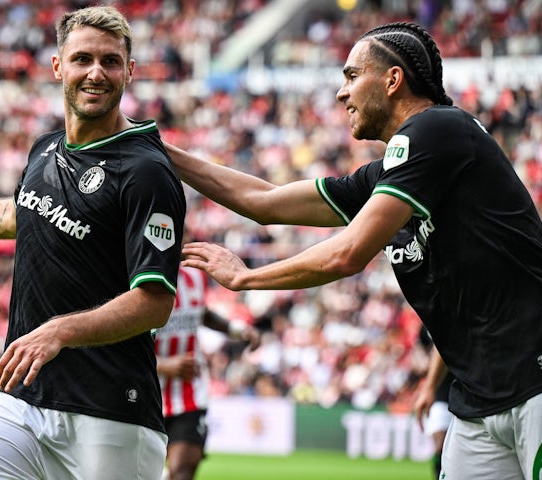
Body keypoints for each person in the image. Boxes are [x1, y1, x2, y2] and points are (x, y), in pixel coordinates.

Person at [164, 21, 542, 480]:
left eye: (351, 75)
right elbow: (261, 202)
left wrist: (248, 277)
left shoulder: (437, 129)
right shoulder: (391, 172)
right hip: (478, 401)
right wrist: (156, 148)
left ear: (392, 79)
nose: (341, 93)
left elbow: (349, 254)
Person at [0, 6, 186, 479]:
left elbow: (153, 303)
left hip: (110, 409)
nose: (96, 73)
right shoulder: (44, 148)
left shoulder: (146, 171)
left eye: (111, 62)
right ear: (58, 66)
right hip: (16, 394)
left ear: (130, 71)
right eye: (82, 59)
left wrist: (59, 332)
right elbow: (17, 214)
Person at [155, 265, 260, 480]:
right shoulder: (134, 277)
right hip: (145, 394)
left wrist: (237, 330)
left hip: (190, 393)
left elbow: (202, 313)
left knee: (183, 469)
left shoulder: (195, 277)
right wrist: (163, 365)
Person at [413, 327, 454, 480]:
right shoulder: (425, 328)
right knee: (439, 445)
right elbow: (418, 346)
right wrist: (422, 360)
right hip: (440, 395)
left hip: (466, 394)